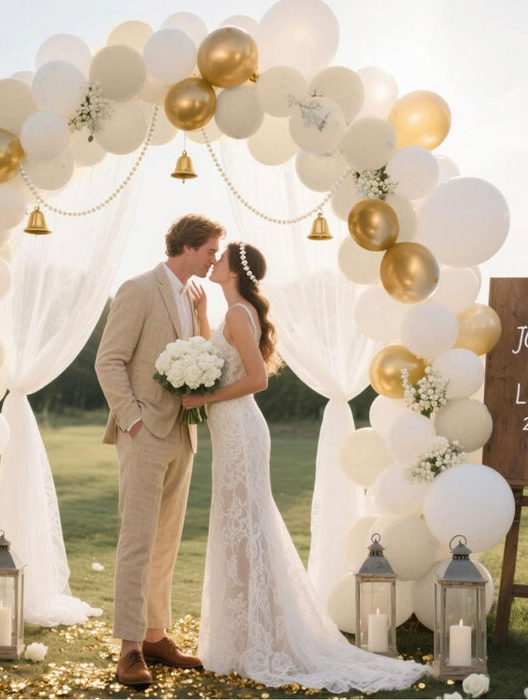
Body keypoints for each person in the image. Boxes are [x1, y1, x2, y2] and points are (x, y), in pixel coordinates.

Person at [181, 242, 429, 693]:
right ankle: (245, 634)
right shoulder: (232, 312)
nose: (211, 262)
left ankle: (261, 636)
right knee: (240, 530)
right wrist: (200, 317)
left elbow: (255, 380)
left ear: (235, 270)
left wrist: (202, 399)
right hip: (233, 431)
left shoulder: (239, 314)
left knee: (247, 529)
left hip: (240, 430)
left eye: (219, 258)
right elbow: (218, 361)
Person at [94, 214, 226, 689]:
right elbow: (108, 360)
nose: (215, 260)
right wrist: (132, 420)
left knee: (166, 541)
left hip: (183, 433)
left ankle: (155, 637)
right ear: (188, 247)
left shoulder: (195, 295)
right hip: (144, 431)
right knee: (138, 539)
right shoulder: (137, 289)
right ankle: (128, 649)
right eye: (211, 251)